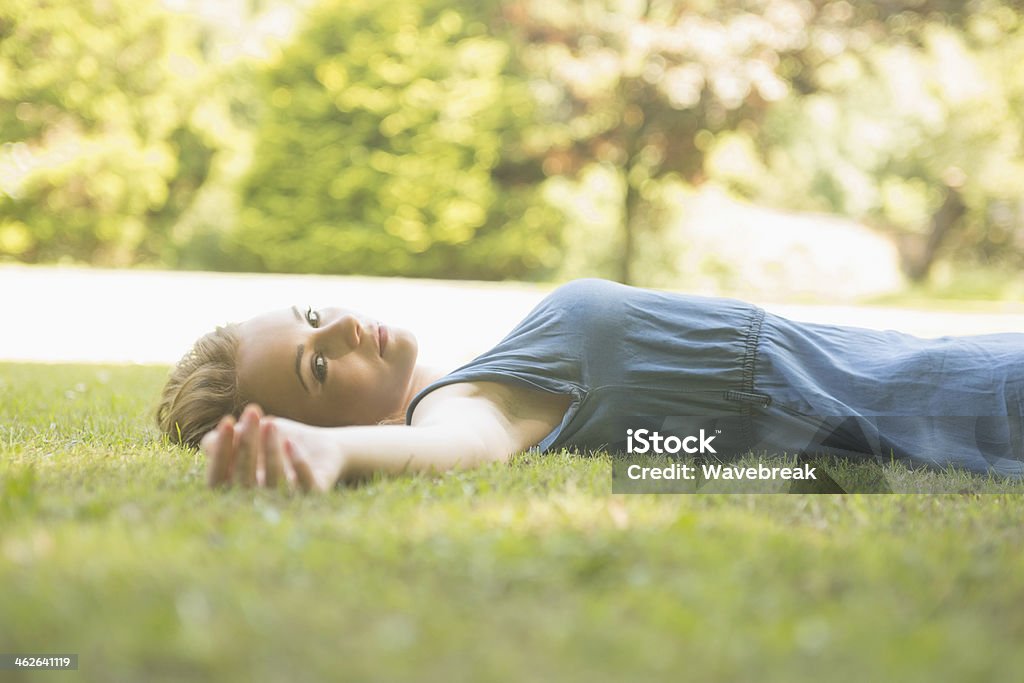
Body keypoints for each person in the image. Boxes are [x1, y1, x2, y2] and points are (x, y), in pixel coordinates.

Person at [157, 278, 1024, 492]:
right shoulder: (458, 406)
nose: (342, 328)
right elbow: (463, 446)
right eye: (319, 364)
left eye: (314, 315)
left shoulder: (473, 373)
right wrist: (329, 453)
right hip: (949, 401)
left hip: (921, 364)